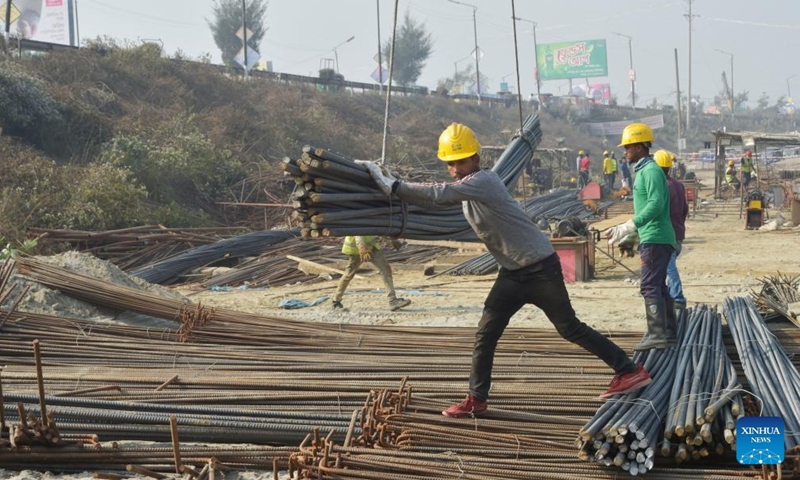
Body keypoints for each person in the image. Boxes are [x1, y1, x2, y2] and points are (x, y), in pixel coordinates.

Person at [359, 123, 651, 418]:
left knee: (569, 328)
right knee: (485, 334)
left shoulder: (483, 180)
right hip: (512, 272)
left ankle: (629, 370)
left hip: (539, 268)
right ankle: (477, 399)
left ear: (476, 159)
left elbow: (439, 194)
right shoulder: (468, 192)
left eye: (461, 162)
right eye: (450, 164)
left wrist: (394, 186)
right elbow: (440, 198)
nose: (455, 169)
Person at [606, 124, 677, 350]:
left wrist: (630, 224)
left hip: (655, 237)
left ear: (639, 146)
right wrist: (631, 233)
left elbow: (655, 204)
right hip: (654, 236)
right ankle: (668, 332)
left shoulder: (650, 171)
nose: (625, 151)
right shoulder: (645, 171)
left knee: (648, 286)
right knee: (659, 286)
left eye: (628, 147)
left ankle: (657, 335)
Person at [332, 236, 411, 311]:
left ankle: (392, 300)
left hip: (371, 246)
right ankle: (336, 301)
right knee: (349, 274)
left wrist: (391, 239)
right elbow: (358, 232)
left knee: (385, 269)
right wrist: (362, 248)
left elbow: (380, 229)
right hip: (357, 248)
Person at [655, 150, 689, 315]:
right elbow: (685, 210)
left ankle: (678, 298)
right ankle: (669, 297)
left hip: (667, 234)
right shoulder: (678, 185)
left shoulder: (662, 187)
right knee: (666, 266)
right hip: (678, 232)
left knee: (669, 265)